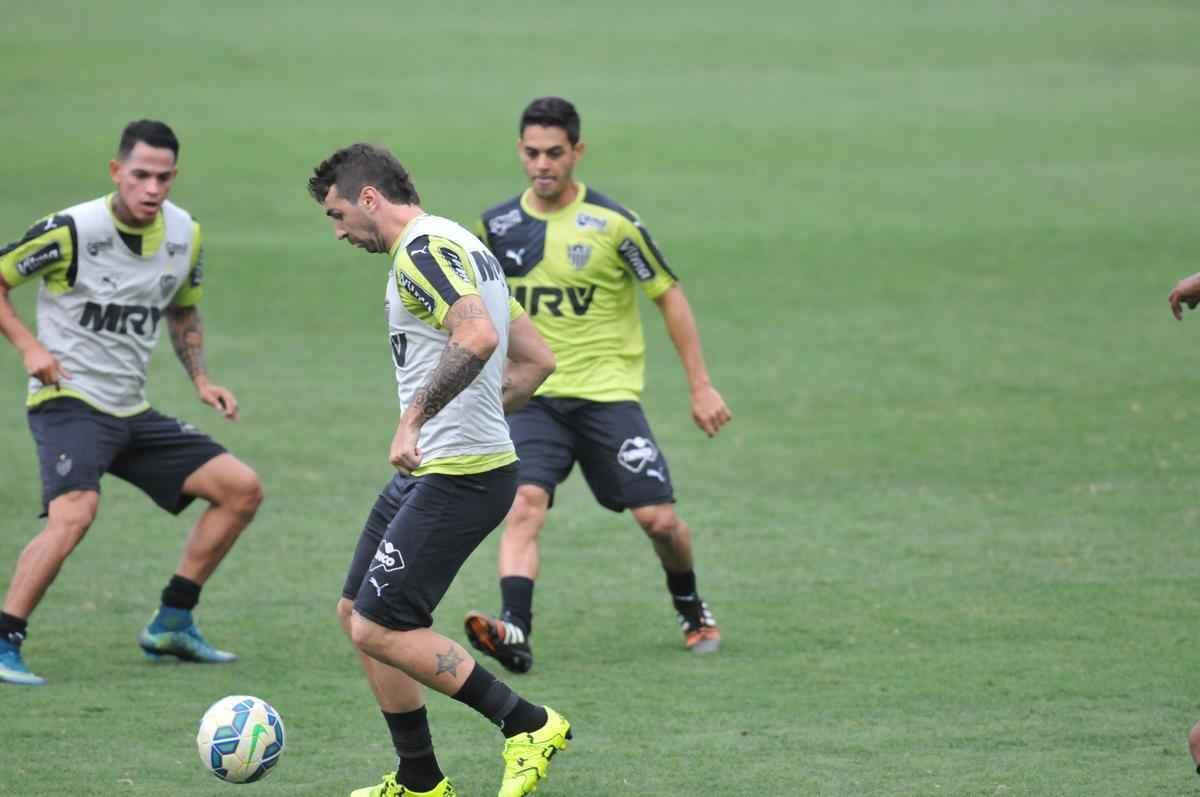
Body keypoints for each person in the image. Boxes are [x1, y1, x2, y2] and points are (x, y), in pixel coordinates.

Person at [308, 143, 569, 797]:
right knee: (353, 612)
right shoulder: (464, 244)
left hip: (462, 474)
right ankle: (420, 779)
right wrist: (469, 412)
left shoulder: (420, 254)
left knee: (379, 623)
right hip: (440, 468)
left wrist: (417, 418)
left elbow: (478, 336)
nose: (339, 232)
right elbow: (537, 360)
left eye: (339, 214)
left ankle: (528, 723)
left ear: (370, 197)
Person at [464, 97, 732, 673]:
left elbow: (669, 295)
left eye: (555, 153)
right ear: (520, 150)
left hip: (608, 395)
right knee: (525, 505)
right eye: (532, 153)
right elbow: (471, 308)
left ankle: (690, 606)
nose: (543, 164)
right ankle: (516, 630)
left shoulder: (614, 225)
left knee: (658, 520)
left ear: (577, 152)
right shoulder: (496, 227)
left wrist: (700, 386)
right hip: (535, 398)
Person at [0, 120, 263, 687]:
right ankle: (4, 639)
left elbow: (183, 309)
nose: (151, 188)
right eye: (140, 175)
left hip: (129, 410)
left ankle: (172, 621)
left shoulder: (184, 234)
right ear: (117, 172)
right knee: (76, 513)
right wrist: (30, 347)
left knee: (240, 489)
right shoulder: (72, 229)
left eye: (163, 177)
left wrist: (201, 379)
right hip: (66, 400)